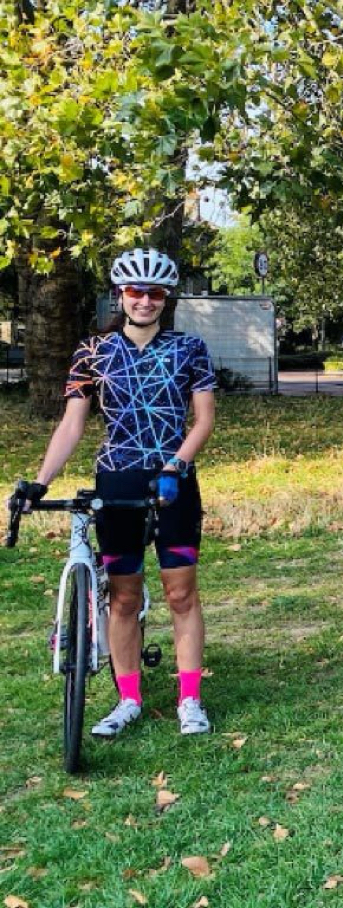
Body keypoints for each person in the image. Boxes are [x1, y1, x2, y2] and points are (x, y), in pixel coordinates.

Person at [18, 248, 218, 737]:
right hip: (118, 479)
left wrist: (177, 463)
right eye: (135, 291)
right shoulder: (93, 352)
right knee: (124, 598)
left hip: (174, 481)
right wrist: (41, 481)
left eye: (154, 293)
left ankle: (189, 699)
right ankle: (128, 698)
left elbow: (205, 418)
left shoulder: (189, 348)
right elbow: (72, 424)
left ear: (165, 298)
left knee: (180, 592)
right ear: (120, 296)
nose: (144, 300)